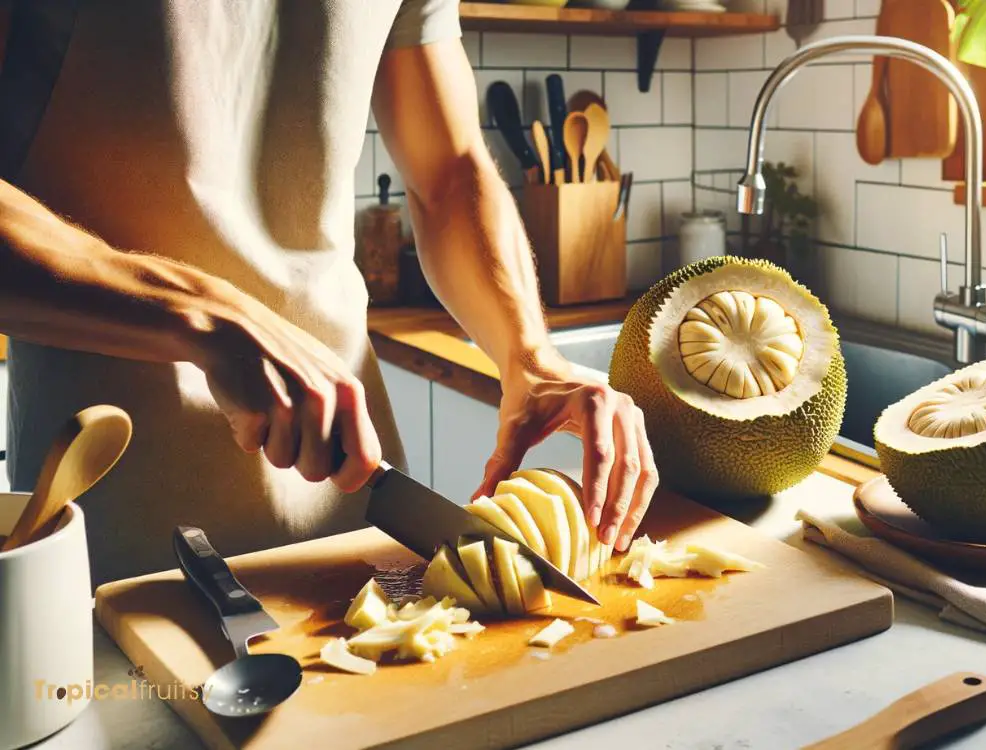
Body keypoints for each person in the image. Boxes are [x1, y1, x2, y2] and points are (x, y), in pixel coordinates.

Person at [0, 1, 658, 585]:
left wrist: (531, 357)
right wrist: (204, 313)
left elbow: (450, 169)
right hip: (114, 537)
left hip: (355, 523)